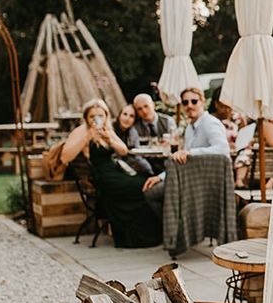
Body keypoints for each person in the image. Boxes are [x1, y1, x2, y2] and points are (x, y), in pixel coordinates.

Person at [61, 99, 161, 248]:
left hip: (115, 171)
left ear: (106, 116)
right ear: (86, 118)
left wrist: (109, 139)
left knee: (146, 179)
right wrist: (87, 137)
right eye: (92, 116)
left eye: (100, 115)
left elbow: (124, 150)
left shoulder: (107, 129)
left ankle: (147, 235)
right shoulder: (81, 131)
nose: (97, 119)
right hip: (101, 177)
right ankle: (132, 236)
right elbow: (65, 157)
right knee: (142, 184)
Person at [143, 86, 231, 220]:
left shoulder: (210, 123)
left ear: (202, 101)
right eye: (185, 102)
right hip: (188, 177)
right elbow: (182, 161)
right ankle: (176, 229)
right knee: (151, 189)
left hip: (205, 181)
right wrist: (160, 177)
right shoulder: (190, 127)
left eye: (194, 101)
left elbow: (223, 150)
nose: (189, 105)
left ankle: (176, 230)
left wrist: (191, 153)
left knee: (152, 193)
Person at [113, 104, 153, 176]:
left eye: (131, 116)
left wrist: (148, 170)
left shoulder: (133, 132)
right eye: (125, 114)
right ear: (119, 115)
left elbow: (136, 154)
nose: (127, 118)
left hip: (128, 165)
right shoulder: (111, 129)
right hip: (114, 164)